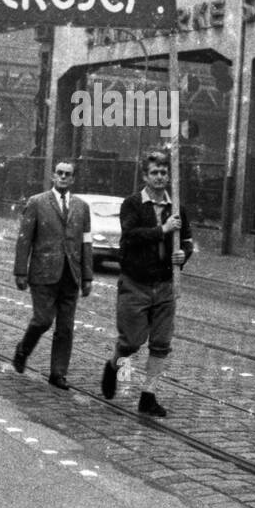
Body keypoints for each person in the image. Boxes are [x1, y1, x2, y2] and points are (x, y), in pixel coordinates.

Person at [101, 151, 194, 418]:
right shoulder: (132, 204)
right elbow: (129, 237)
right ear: (145, 176)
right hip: (135, 283)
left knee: (161, 343)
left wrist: (184, 255)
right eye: (155, 172)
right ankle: (113, 365)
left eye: (164, 172)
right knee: (131, 342)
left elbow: (187, 240)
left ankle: (148, 395)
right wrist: (161, 231)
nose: (160, 177)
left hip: (165, 284)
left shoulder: (176, 208)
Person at [11, 160, 93, 389]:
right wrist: (20, 271)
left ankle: (58, 373)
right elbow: (24, 239)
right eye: (60, 173)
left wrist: (87, 276)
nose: (64, 177)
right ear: (52, 176)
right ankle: (23, 350)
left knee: (65, 327)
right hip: (43, 272)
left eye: (68, 174)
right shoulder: (36, 202)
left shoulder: (81, 206)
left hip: (71, 275)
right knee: (43, 320)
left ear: (73, 178)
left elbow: (86, 242)